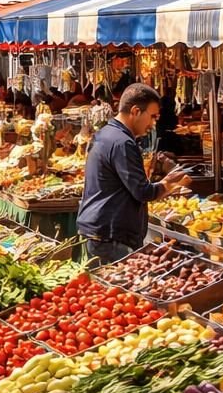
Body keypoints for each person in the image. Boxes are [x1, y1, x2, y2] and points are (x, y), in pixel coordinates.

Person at [76, 84, 190, 265]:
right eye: (152, 117)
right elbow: (143, 192)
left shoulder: (105, 134)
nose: (153, 125)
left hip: (99, 229)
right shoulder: (122, 142)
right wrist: (169, 183)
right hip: (112, 235)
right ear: (136, 111)